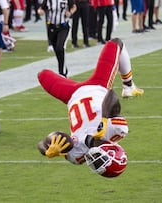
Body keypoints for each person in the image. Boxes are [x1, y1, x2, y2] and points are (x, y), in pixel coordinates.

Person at [36, 38, 143, 176]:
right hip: (99, 85)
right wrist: (104, 120)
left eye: (96, 166)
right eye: (100, 161)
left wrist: (46, 148)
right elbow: (112, 96)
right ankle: (129, 86)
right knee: (116, 43)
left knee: (42, 74)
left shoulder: (76, 155)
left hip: (71, 95)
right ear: (111, 150)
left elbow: (45, 143)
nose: (93, 161)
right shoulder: (117, 130)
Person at [38, 0, 77, 77]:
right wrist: (40, 11)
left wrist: (70, 13)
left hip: (63, 26)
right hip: (52, 27)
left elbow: (74, 6)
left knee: (60, 47)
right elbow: (42, 8)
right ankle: (63, 68)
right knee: (56, 49)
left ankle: (62, 72)